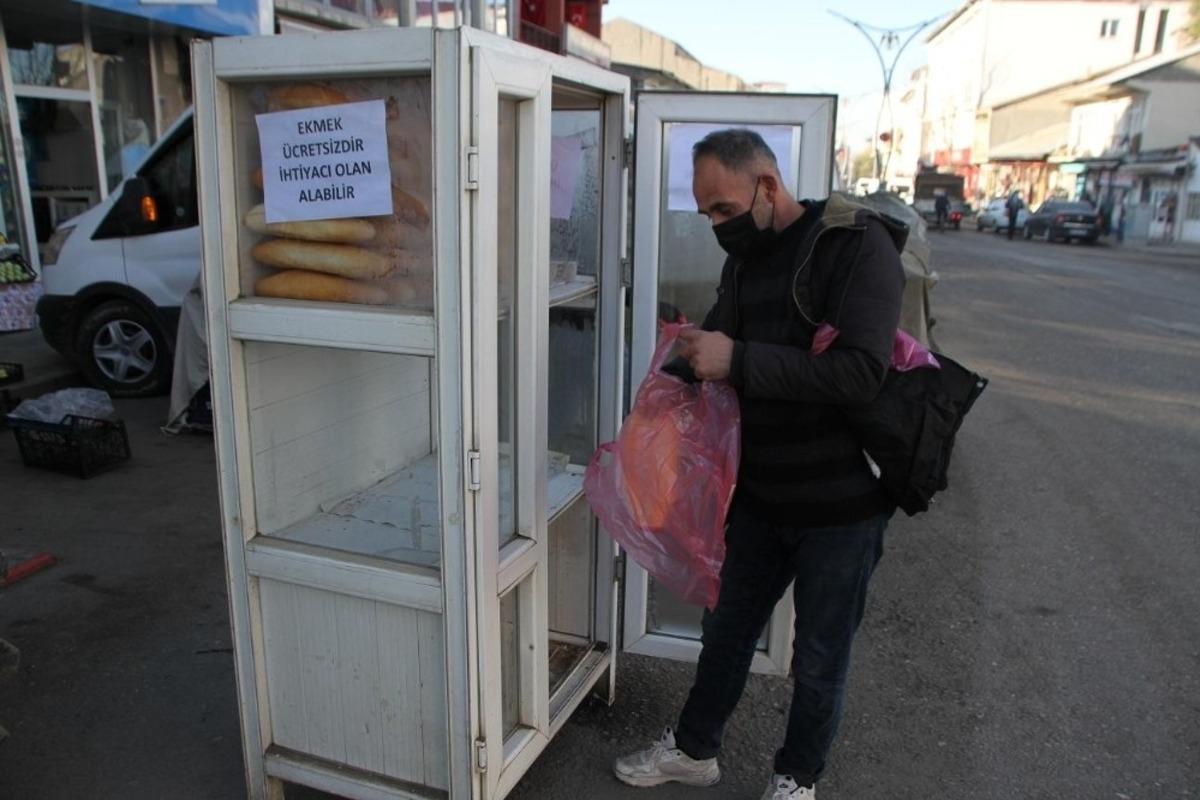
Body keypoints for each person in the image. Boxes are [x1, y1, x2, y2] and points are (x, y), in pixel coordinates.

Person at [613, 129, 905, 800]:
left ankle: (797, 779)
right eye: (706, 213)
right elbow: (722, 343)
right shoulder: (746, 261)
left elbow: (861, 373)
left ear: (768, 186)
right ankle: (695, 750)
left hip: (842, 506)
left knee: (820, 657)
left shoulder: (855, 246)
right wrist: (679, 363)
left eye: (724, 208)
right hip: (760, 496)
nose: (718, 226)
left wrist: (737, 359)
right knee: (726, 632)